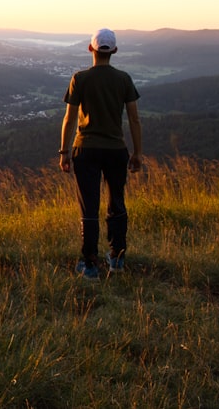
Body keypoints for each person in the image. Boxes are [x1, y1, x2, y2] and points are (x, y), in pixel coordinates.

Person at [59, 28, 143, 280]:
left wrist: (64, 152)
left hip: (85, 150)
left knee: (89, 207)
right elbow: (135, 119)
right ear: (114, 51)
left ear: (90, 49)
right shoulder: (124, 79)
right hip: (116, 150)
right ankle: (117, 258)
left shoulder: (80, 79)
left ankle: (90, 264)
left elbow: (69, 118)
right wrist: (137, 153)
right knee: (116, 203)